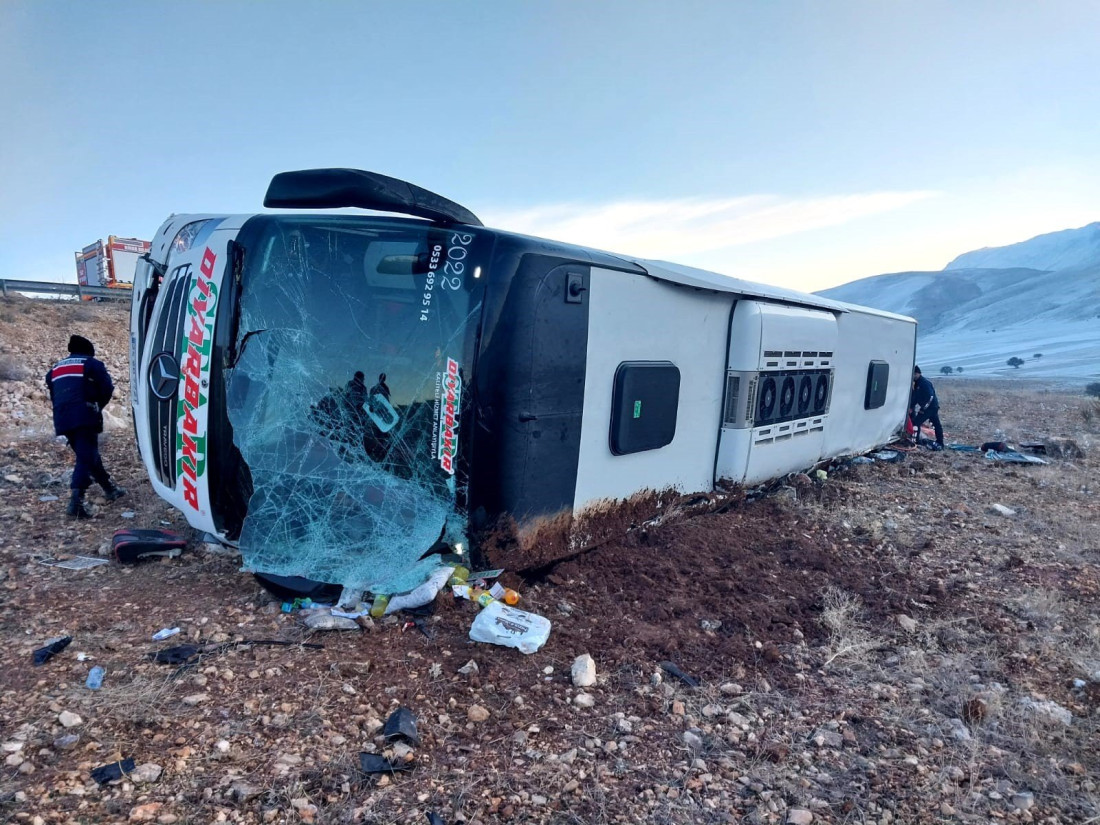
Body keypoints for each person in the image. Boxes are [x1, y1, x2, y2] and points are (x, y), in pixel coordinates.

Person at [46, 335, 126, 518]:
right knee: (86, 456)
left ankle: (109, 489)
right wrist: (97, 405)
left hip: (62, 417)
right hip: (84, 414)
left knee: (87, 453)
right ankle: (76, 502)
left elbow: (54, 392)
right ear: (89, 350)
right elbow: (107, 388)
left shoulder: (55, 369)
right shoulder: (91, 364)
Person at [910, 365, 944, 449]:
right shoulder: (917, 383)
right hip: (931, 407)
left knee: (916, 422)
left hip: (930, 407)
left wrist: (923, 409)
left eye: (913, 374)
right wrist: (911, 407)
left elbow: (930, 397)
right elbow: (916, 397)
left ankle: (917, 441)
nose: (912, 376)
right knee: (936, 424)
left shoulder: (924, 383)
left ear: (917, 373)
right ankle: (940, 442)